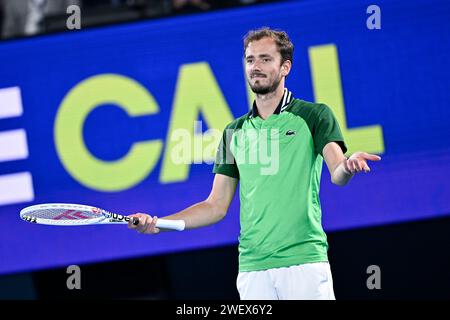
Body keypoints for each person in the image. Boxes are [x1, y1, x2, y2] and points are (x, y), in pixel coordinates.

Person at [128, 27, 381, 300]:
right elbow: (215, 206)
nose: (255, 67)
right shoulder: (232, 133)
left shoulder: (314, 115)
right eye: (250, 60)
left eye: (265, 59)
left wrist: (349, 166)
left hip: (304, 262)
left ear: (285, 67)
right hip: (252, 270)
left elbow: (337, 173)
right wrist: (158, 224)